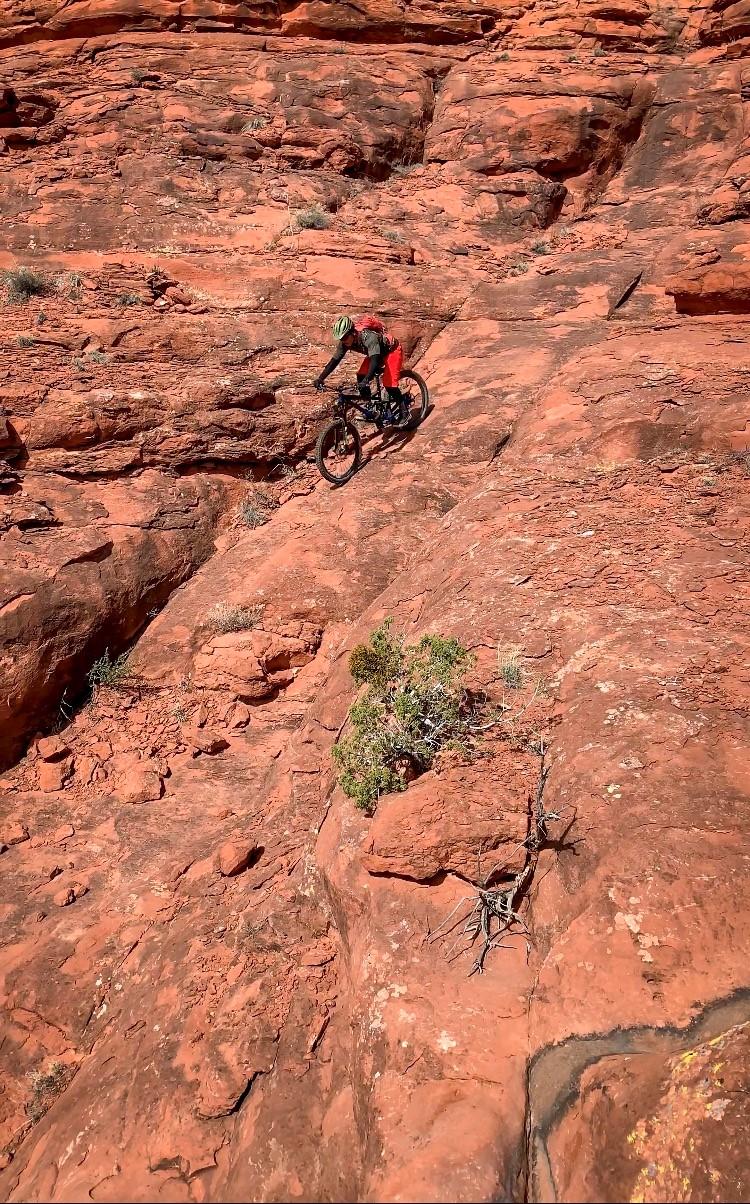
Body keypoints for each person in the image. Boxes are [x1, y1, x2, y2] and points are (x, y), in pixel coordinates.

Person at [313, 315, 408, 423]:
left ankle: (404, 412)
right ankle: (371, 407)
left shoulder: (368, 337)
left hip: (391, 351)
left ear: (352, 332)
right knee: (360, 376)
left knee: (389, 384)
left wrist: (367, 380)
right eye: (340, 339)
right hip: (375, 354)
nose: (343, 341)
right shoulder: (345, 343)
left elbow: (375, 361)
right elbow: (334, 361)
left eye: (344, 337)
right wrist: (321, 378)